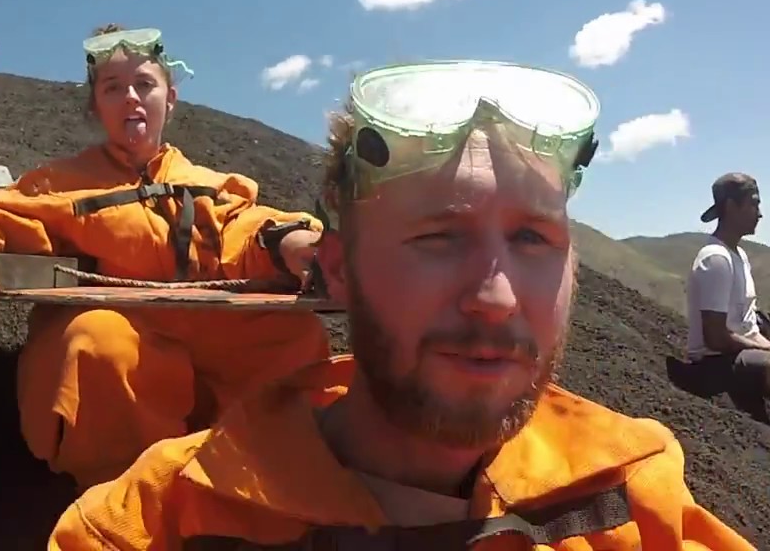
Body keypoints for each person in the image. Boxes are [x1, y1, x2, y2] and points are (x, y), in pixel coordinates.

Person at [48, 60, 756, 550]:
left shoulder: (634, 496)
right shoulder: (159, 522)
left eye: (533, 239)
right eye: (438, 238)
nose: (495, 297)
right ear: (339, 271)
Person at [0, 24, 330, 491]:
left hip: (209, 347)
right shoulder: (61, 184)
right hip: (127, 359)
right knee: (99, 342)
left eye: (144, 84)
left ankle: (269, 485)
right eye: (113, 88)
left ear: (170, 98)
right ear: (96, 105)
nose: (131, 98)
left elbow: (242, 227)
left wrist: (288, 240)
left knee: (295, 336)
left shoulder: (209, 184)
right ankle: (124, 498)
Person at [684, 172, 770, 413]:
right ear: (731, 206)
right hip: (714, 364)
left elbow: (749, 327)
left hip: (741, 352)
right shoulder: (716, 258)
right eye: (754, 204)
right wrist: (765, 350)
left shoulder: (739, 256)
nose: (760, 214)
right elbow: (716, 338)